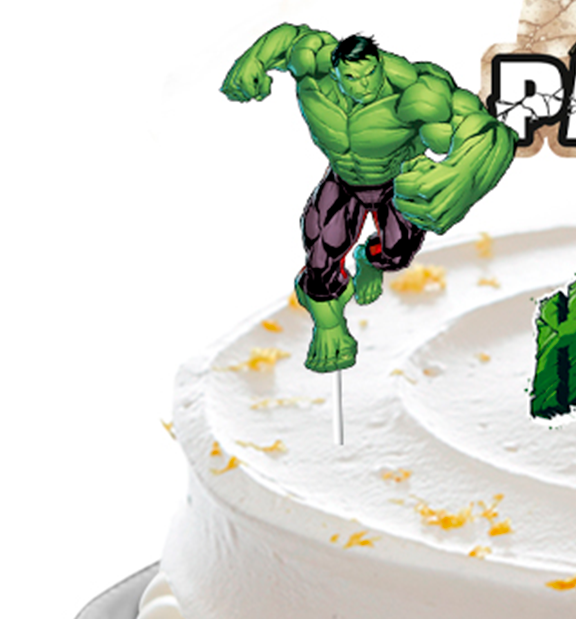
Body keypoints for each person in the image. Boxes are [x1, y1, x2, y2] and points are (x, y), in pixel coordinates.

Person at [220, 27, 516, 369]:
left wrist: (463, 174)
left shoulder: (415, 93)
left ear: (379, 64)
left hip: (393, 181)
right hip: (343, 180)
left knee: (398, 251)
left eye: (369, 74)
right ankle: (330, 326)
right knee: (320, 252)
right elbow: (287, 39)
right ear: (336, 73)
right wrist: (253, 61)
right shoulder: (312, 68)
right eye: (351, 77)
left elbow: (487, 131)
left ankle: (371, 260)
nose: (363, 85)